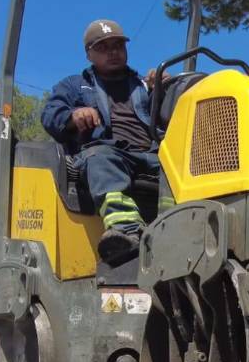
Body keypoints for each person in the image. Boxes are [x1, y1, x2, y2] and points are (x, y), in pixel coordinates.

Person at [41, 19, 162, 264]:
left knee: (185, 165)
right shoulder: (75, 85)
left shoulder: (144, 85)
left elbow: (171, 119)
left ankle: (179, 226)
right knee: (100, 157)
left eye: (118, 45)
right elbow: (50, 114)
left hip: (153, 154)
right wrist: (72, 116)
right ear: (89, 54)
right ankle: (126, 231)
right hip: (108, 154)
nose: (113, 52)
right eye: (104, 47)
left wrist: (165, 89)